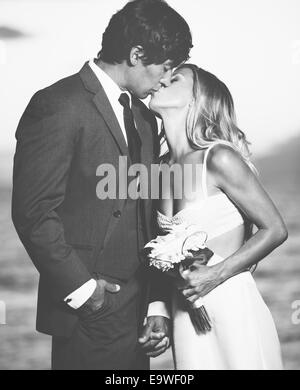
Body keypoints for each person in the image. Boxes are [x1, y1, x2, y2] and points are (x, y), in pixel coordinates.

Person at [12, 0, 192, 370]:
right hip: (87, 308)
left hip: (139, 310)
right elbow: (33, 214)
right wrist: (86, 293)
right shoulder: (58, 104)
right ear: (136, 53)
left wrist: (157, 302)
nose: (166, 79)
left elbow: (150, 214)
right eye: (165, 67)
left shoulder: (145, 118)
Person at [149, 64, 288, 370]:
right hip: (185, 317)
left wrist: (215, 274)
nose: (161, 81)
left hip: (232, 307)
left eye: (174, 79)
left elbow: (275, 229)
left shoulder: (218, 157)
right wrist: (158, 309)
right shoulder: (161, 169)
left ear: (196, 99)